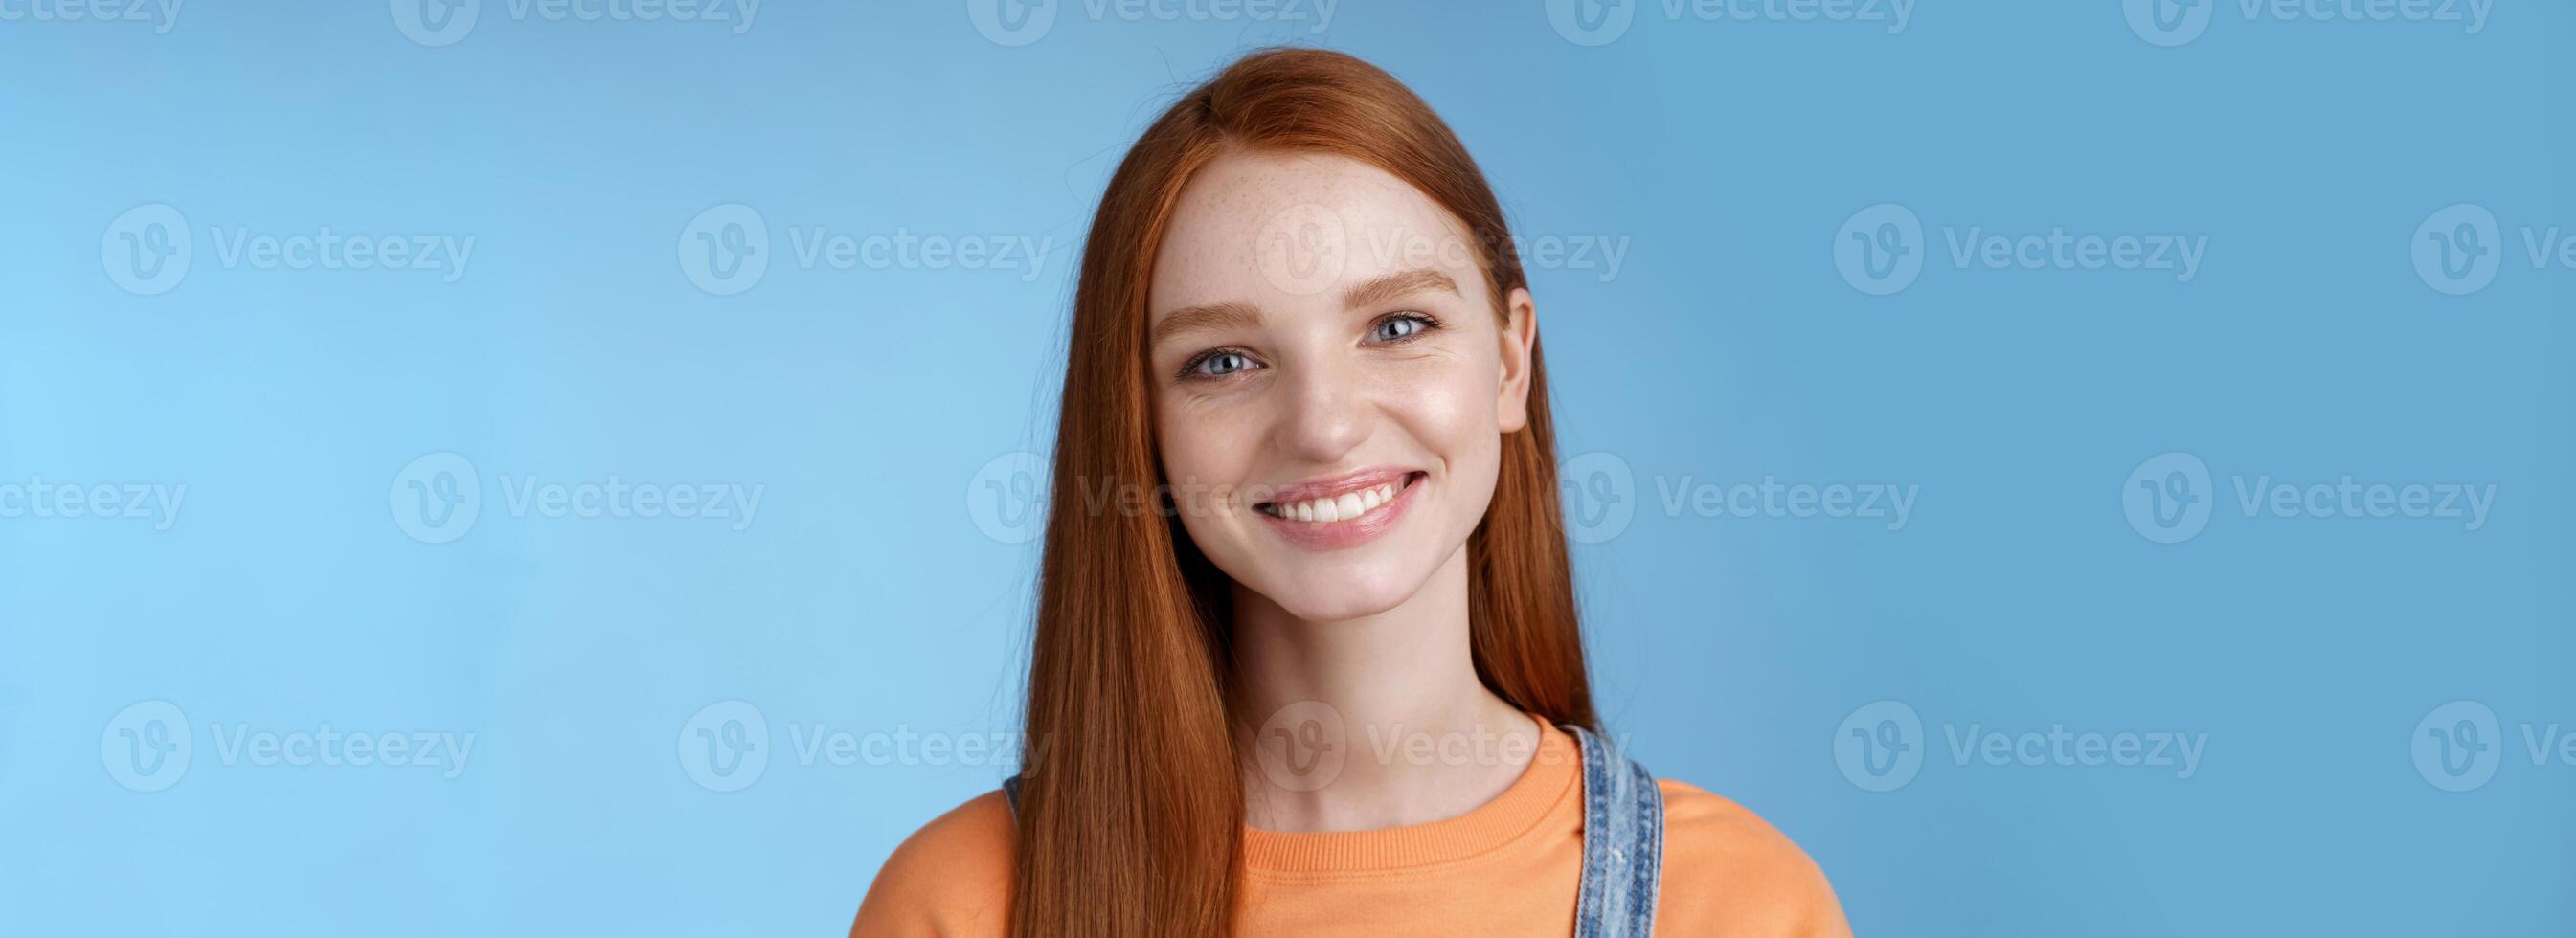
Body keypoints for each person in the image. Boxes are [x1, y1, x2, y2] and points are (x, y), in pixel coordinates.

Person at [852, 47, 1848, 937]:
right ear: (1140, 423)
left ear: (1509, 364)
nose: (1323, 423)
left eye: (1397, 326)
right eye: (1224, 359)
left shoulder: (1734, 903)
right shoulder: (961, 903)